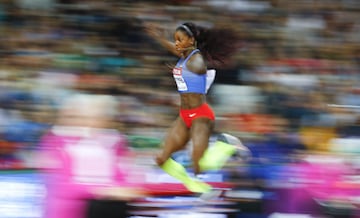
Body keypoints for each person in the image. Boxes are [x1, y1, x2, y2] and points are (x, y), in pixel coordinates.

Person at [145, 22, 244, 193]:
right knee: (162, 160)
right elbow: (176, 52)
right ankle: (196, 185)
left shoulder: (196, 59)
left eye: (180, 39)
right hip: (185, 114)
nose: (177, 43)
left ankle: (226, 145)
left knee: (199, 163)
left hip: (200, 114)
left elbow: (196, 67)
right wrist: (159, 38)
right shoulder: (186, 57)